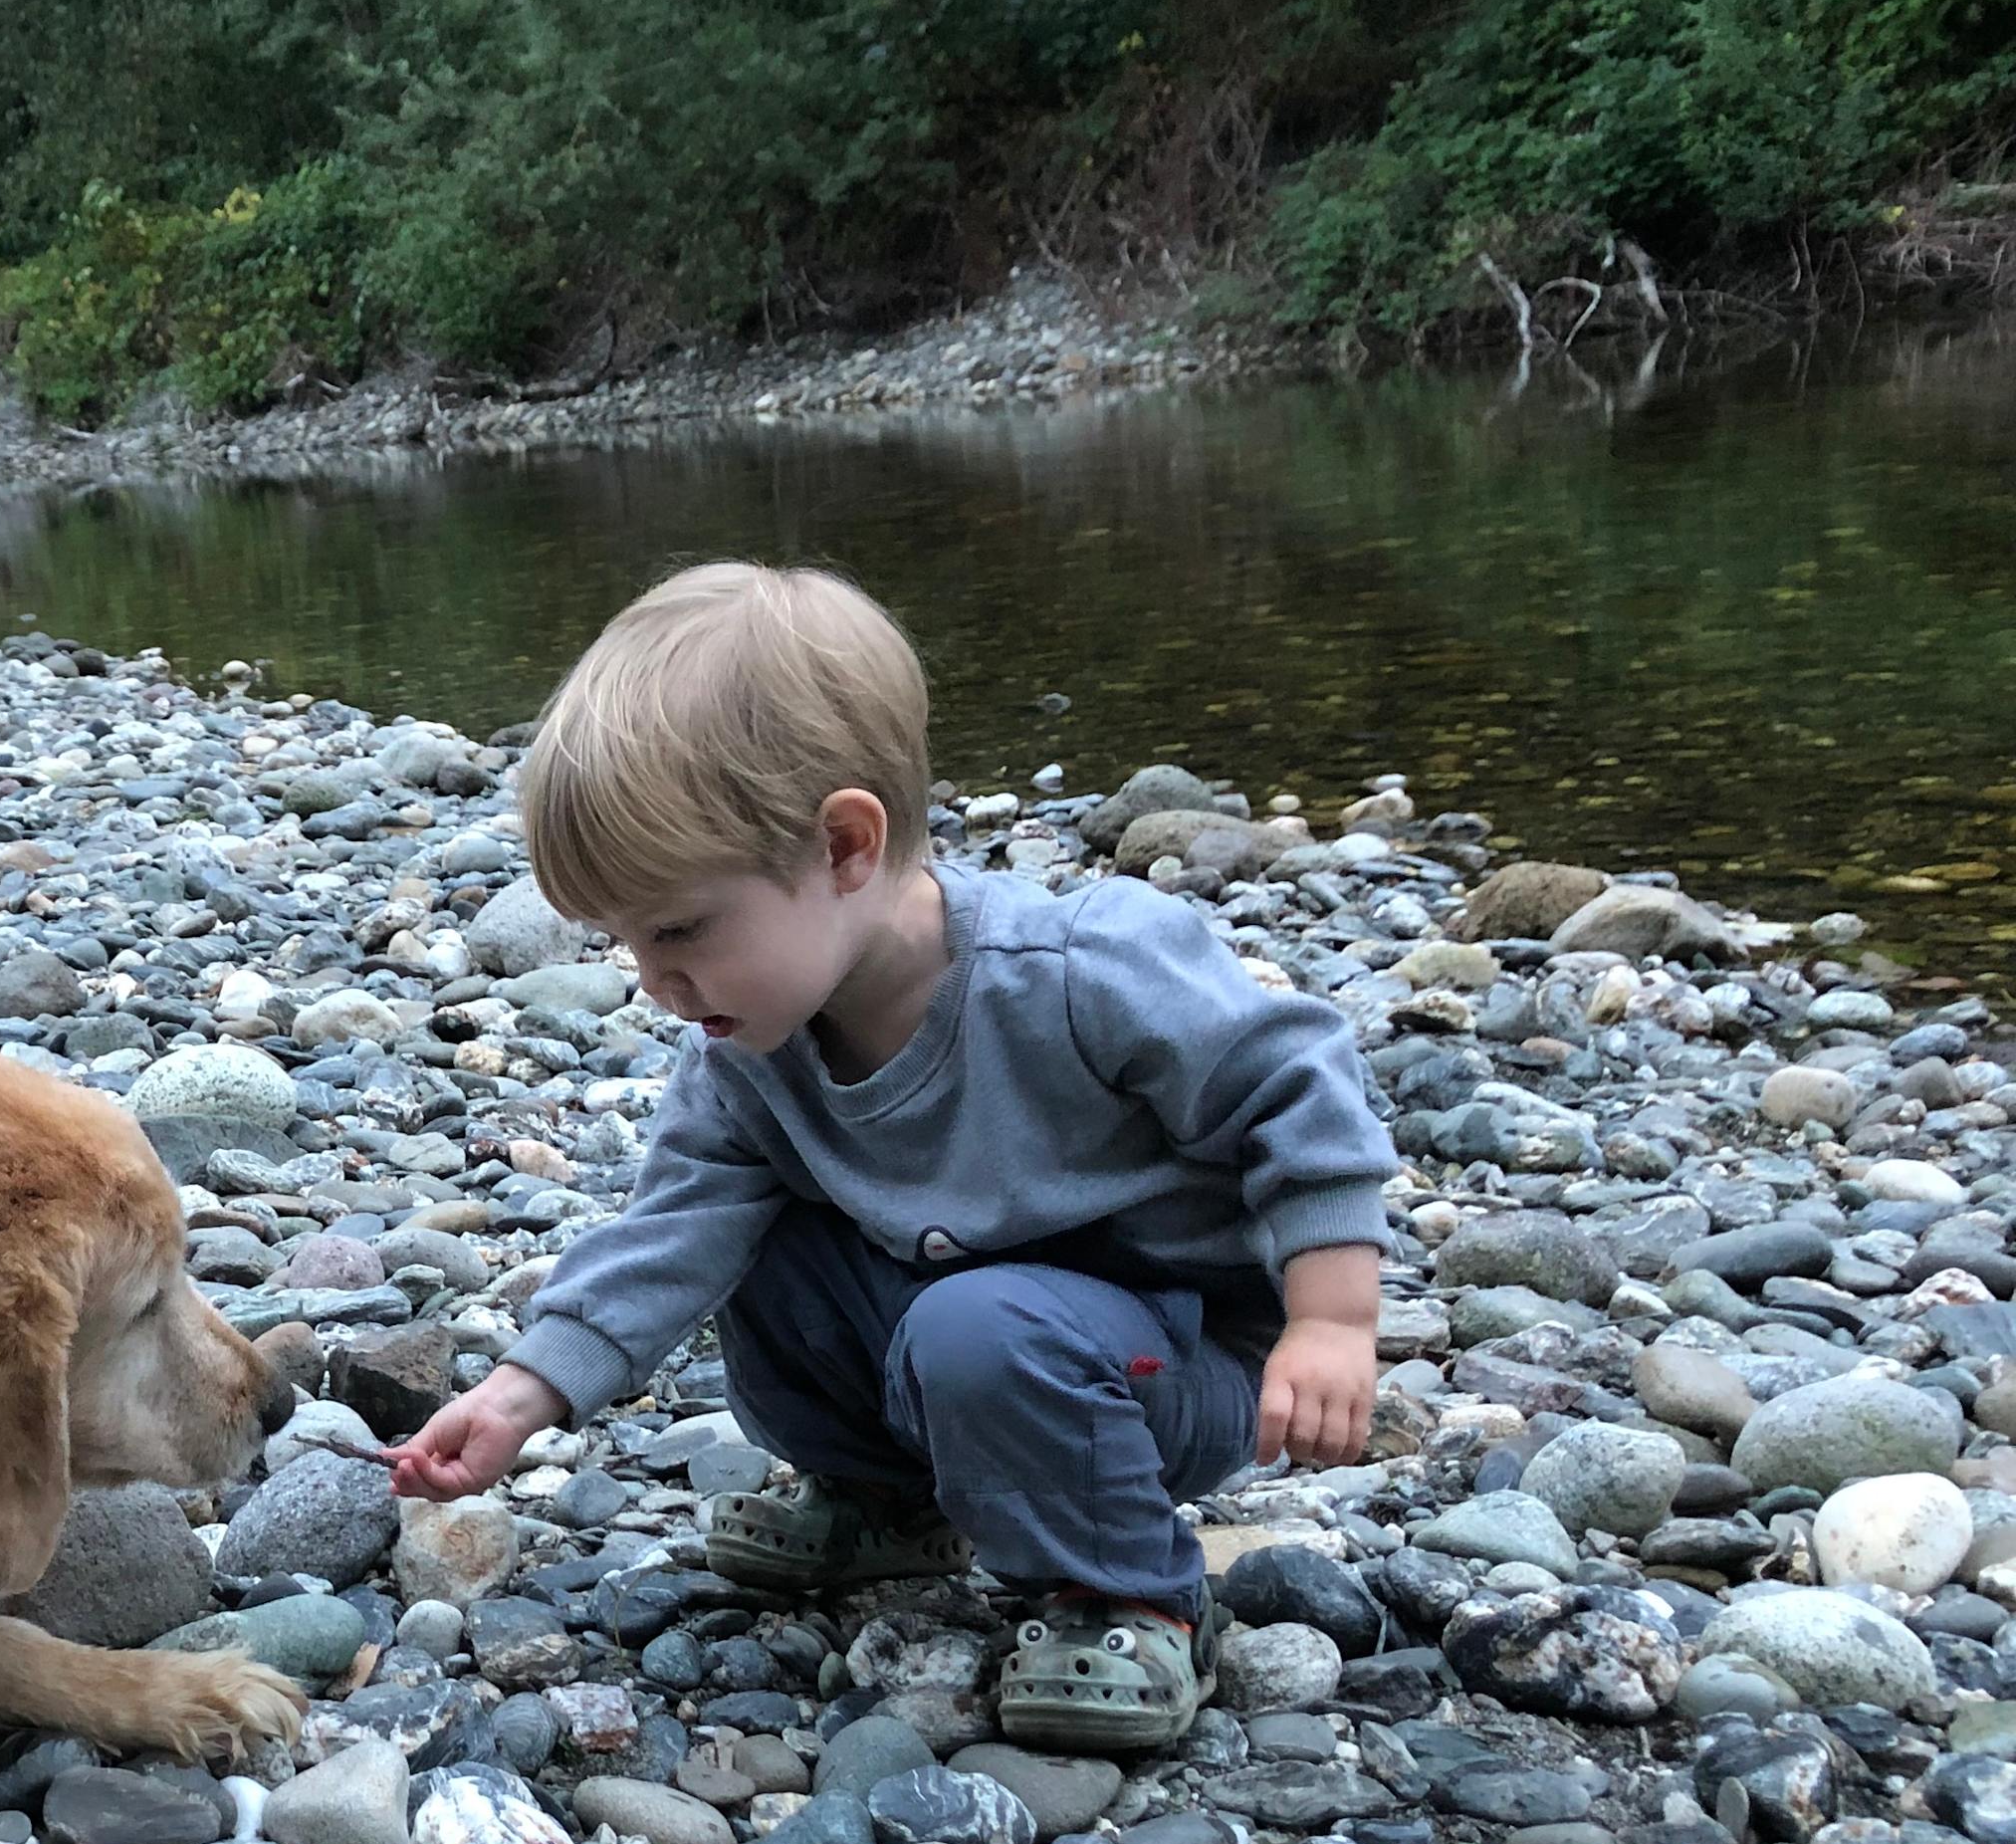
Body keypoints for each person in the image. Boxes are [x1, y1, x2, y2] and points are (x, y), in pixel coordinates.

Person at [388, 563, 1396, 1751]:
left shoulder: (1075, 971)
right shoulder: (752, 1051)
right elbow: (672, 1228)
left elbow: (1294, 1077)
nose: (654, 983)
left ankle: (1137, 1592)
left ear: (844, 845)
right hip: (966, 1350)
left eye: (679, 931)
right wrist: (523, 1391)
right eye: (622, 943)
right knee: (757, 1244)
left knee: (977, 1328)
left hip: (1164, 1362)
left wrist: (1331, 1318)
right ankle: (891, 1502)